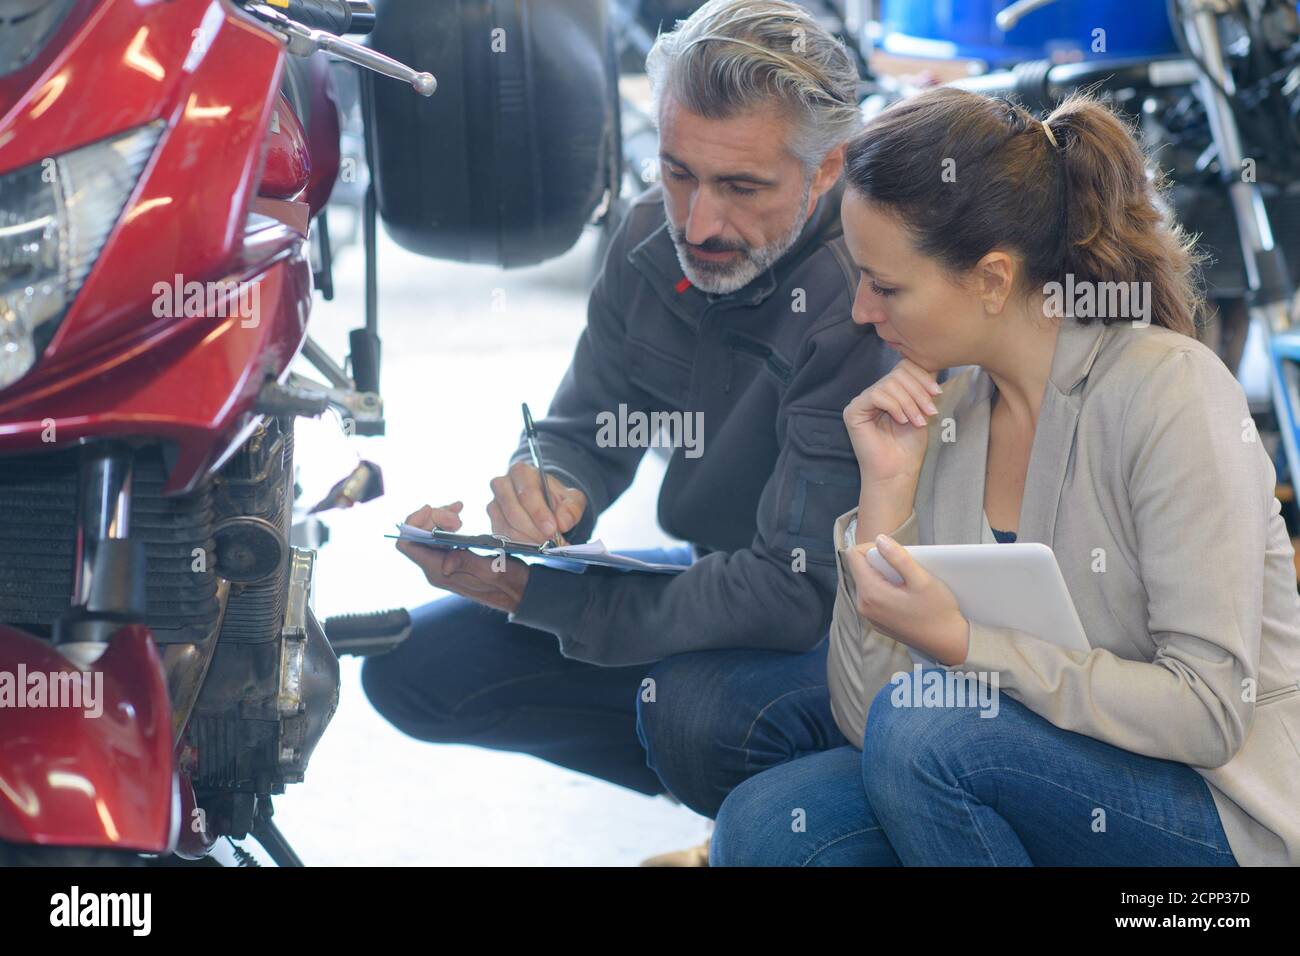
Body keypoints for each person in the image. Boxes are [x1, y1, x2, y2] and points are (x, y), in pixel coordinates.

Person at [705, 86, 1300, 866]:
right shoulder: (944, 417)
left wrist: (964, 643)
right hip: (1012, 774)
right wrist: (885, 496)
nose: (860, 311)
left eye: (885, 285)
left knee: (935, 738)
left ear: (991, 279)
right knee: (769, 821)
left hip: (1218, 815)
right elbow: (866, 720)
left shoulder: (1169, 392)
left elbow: (1207, 714)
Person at [360, 0, 893, 849]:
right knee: (417, 670)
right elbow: (583, 427)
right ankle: (753, 810)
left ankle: (801, 829)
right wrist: (547, 488)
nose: (699, 223)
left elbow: (794, 594)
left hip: (861, 630)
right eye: (679, 171)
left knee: (700, 722)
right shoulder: (654, 235)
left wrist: (544, 595)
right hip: (729, 578)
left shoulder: (863, 292)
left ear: (826, 171)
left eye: (742, 188)